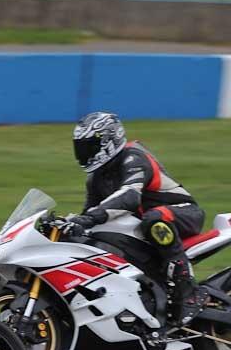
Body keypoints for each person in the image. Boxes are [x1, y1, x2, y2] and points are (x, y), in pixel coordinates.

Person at [67, 111, 209, 326]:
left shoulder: (133, 157)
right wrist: (74, 224)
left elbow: (130, 196)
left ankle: (187, 288)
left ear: (108, 141)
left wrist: (89, 218)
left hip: (182, 214)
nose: (84, 153)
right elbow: (91, 212)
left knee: (154, 219)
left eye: (90, 146)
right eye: (81, 146)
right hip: (146, 225)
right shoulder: (95, 178)